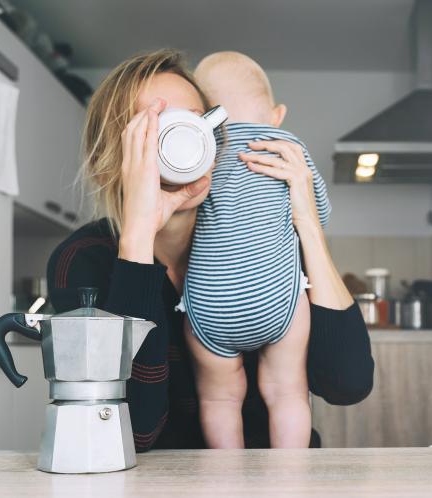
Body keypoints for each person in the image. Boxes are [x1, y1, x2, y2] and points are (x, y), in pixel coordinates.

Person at [46, 49, 374, 451]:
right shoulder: (81, 260)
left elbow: (347, 384)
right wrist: (138, 237)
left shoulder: (262, 235)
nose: (187, 140)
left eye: (197, 122)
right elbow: (133, 432)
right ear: (109, 161)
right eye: (157, 129)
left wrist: (306, 222)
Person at [178, 51, 329, 448]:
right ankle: (289, 477)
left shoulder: (203, 150)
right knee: (288, 393)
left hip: (211, 304)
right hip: (274, 299)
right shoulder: (287, 146)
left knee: (219, 397)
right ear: (277, 114)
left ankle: (227, 478)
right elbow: (318, 214)